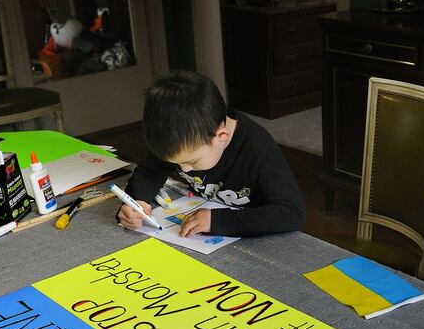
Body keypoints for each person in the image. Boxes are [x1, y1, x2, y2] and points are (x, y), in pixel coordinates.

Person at [117, 71, 305, 238]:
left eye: (192, 161)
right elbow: (149, 172)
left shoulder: (257, 148)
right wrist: (137, 202)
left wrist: (217, 221)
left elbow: (292, 213)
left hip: (256, 234)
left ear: (221, 136)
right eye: (175, 163)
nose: (184, 170)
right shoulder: (179, 138)